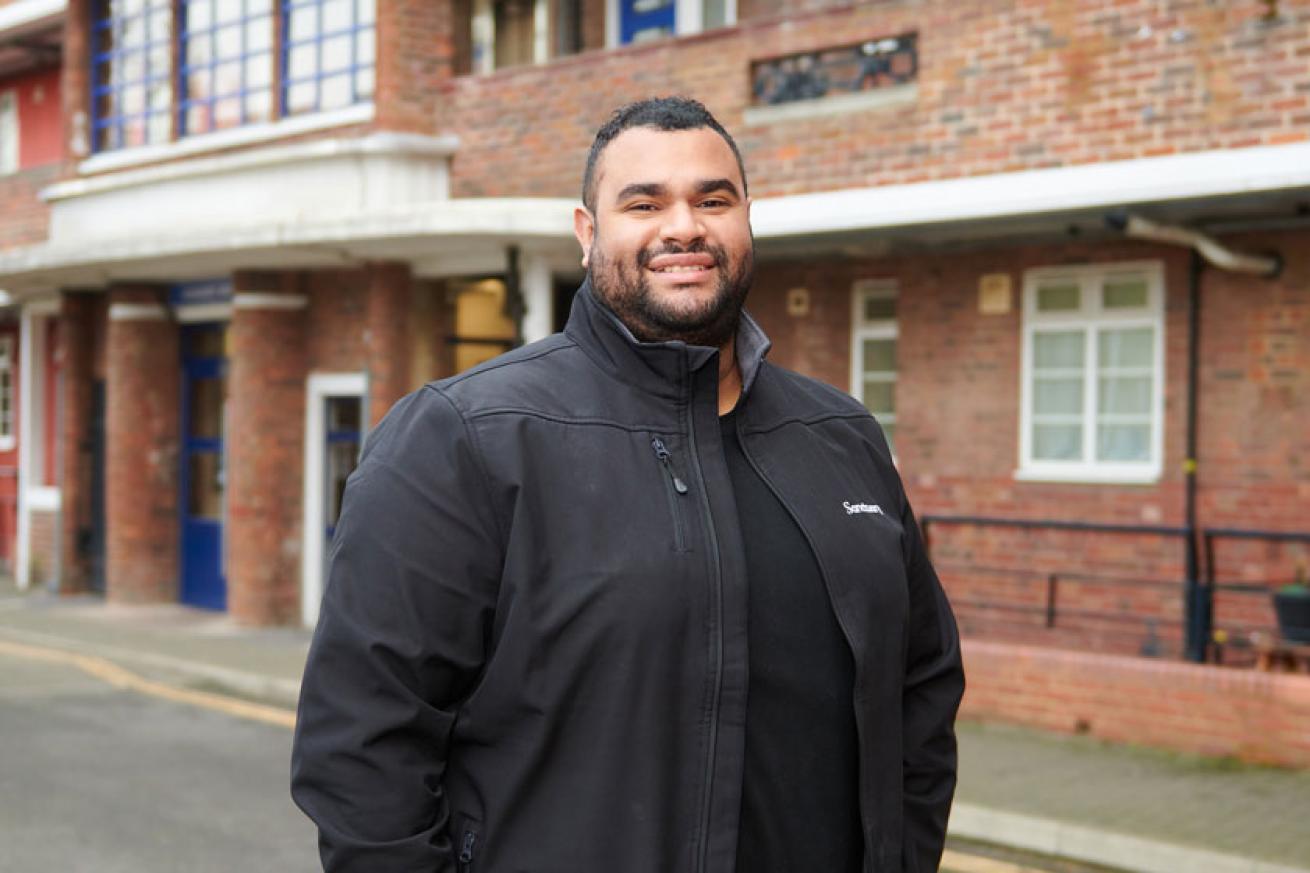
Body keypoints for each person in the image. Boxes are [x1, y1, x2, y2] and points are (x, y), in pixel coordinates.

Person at [291, 96, 964, 873]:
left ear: (749, 220)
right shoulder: (462, 439)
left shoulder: (840, 436)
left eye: (714, 200)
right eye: (644, 203)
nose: (684, 227)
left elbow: (919, 683)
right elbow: (362, 745)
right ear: (587, 233)